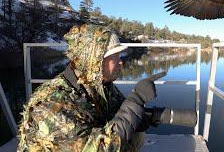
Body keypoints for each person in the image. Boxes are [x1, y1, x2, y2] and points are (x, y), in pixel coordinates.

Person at [18, 24, 159, 151]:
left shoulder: (100, 85)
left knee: (136, 136)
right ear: (94, 60)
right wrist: (136, 100)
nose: (120, 62)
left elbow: (120, 113)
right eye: (115, 56)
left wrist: (141, 116)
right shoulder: (50, 105)